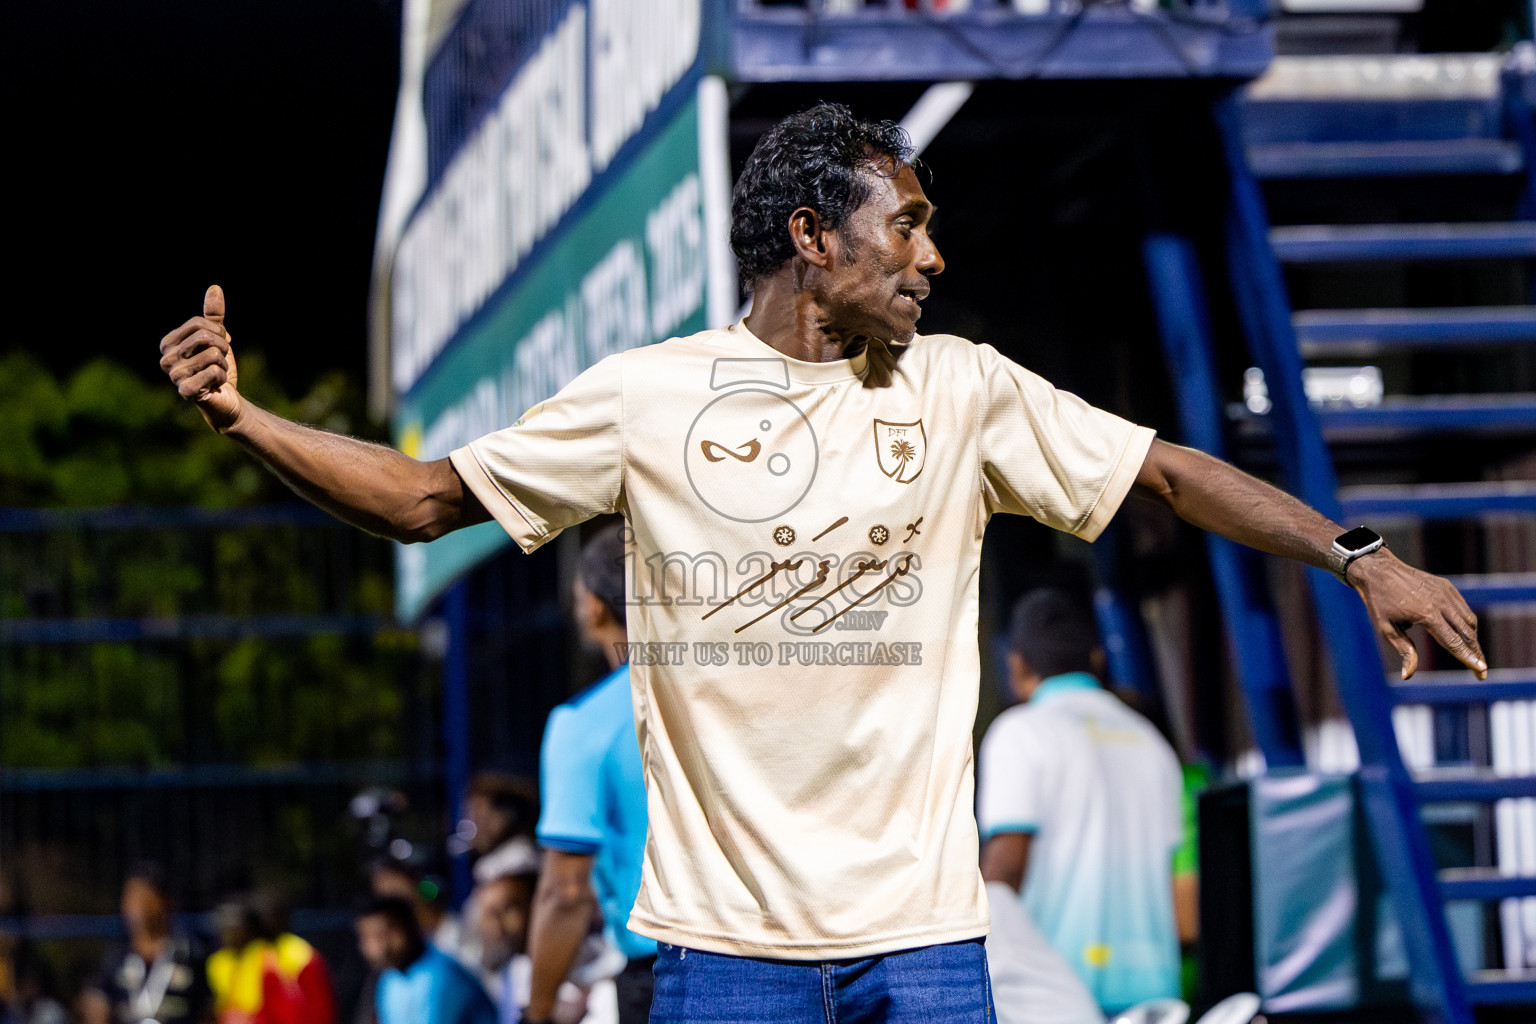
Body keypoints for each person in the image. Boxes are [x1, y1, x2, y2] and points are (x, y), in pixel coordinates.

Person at [158, 101, 1486, 1021]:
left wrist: (1357, 553)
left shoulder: (963, 388)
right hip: (728, 965)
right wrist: (242, 417)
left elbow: (1167, 473)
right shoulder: (647, 398)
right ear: (811, 236)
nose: (933, 253)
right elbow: (425, 499)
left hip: (927, 949)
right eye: (906, 224)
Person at [977, 589, 1185, 1013]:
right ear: (1096, 658)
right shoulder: (1150, 740)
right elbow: (1176, 880)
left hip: (1055, 1000)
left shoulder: (1020, 732)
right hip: (1155, 998)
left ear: (1016, 666)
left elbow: (1005, 867)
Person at [520, 524, 654, 1024]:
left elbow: (565, 891)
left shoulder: (583, 725)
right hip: (770, 959)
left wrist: (538, 1010)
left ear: (594, 607)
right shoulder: (717, 694)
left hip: (664, 974)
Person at [82, 864, 212, 1024]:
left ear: (165, 901)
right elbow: (99, 1001)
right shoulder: (117, 958)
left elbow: (208, 1010)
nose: (136, 906)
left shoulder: (191, 955)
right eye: (130, 897)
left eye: (144, 897)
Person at [355, 898, 495, 1024]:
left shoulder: (440, 975)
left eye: (387, 933)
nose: (381, 947)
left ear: (412, 926)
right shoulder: (388, 980)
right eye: (370, 938)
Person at [208, 893, 337, 1024]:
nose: (229, 933)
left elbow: (315, 1008)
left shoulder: (294, 955)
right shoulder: (219, 961)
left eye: (234, 926)